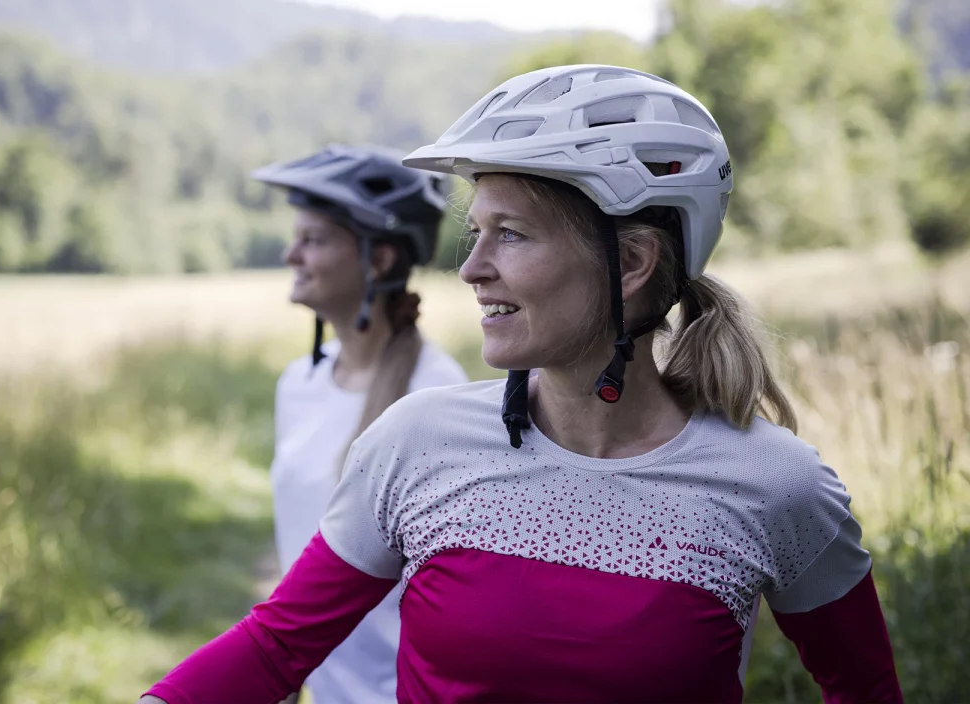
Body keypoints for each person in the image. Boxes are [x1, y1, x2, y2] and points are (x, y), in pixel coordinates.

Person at [139, 66, 902, 703]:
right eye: (477, 233)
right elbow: (277, 648)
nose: (472, 270)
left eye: (511, 234)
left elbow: (864, 689)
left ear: (631, 262)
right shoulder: (418, 443)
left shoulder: (776, 486)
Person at [255, 144, 467, 704]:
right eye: (295, 237)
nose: (289, 254)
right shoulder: (298, 383)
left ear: (378, 260)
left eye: (313, 240)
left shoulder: (437, 395)